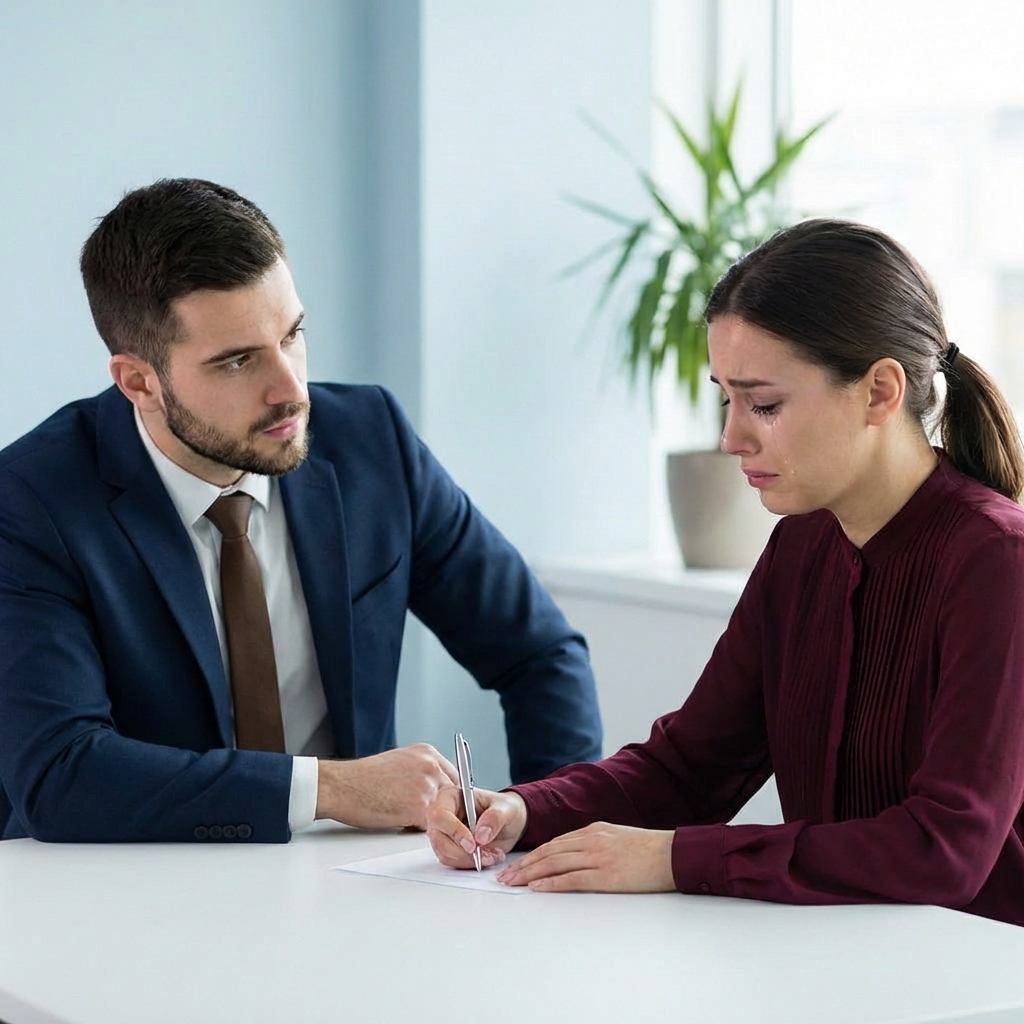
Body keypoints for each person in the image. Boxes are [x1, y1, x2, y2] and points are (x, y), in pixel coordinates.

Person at [427, 219, 1024, 927]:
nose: (732, 437)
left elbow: (943, 849)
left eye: (764, 404)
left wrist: (672, 858)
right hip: (837, 966)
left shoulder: (996, 563)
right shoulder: (801, 547)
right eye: (727, 399)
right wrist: (525, 809)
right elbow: (691, 767)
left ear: (879, 392)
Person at [0, 177, 602, 843]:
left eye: (293, 335)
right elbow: (60, 775)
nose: (289, 390)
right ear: (139, 381)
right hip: (124, 897)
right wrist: (333, 788)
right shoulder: (32, 501)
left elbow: (540, 655)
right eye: (237, 362)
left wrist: (546, 829)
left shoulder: (373, 441)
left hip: (352, 889)